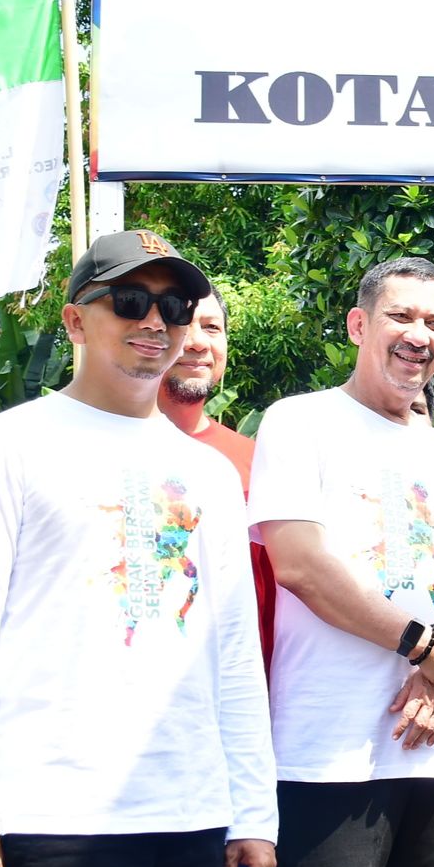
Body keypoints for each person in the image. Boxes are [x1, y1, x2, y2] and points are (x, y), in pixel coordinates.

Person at [0, 229, 277, 867]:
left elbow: (234, 654)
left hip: (191, 818)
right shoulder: (12, 446)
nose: (156, 321)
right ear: (75, 319)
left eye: (176, 305)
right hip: (51, 818)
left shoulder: (208, 472)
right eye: (129, 300)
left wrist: (253, 810)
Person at [248, 257, 434, 867]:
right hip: (324, 754)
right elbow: (299, 561)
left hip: (426, 756)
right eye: (403, 315)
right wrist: (422, 646)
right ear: (360, 324)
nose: (420, 333)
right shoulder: (299, 421)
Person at [158, 284, 277, 682]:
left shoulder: (259, 461)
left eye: (212, 327)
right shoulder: (99, 451)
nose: (197, 343)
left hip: (244, 688)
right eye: (183, 324)